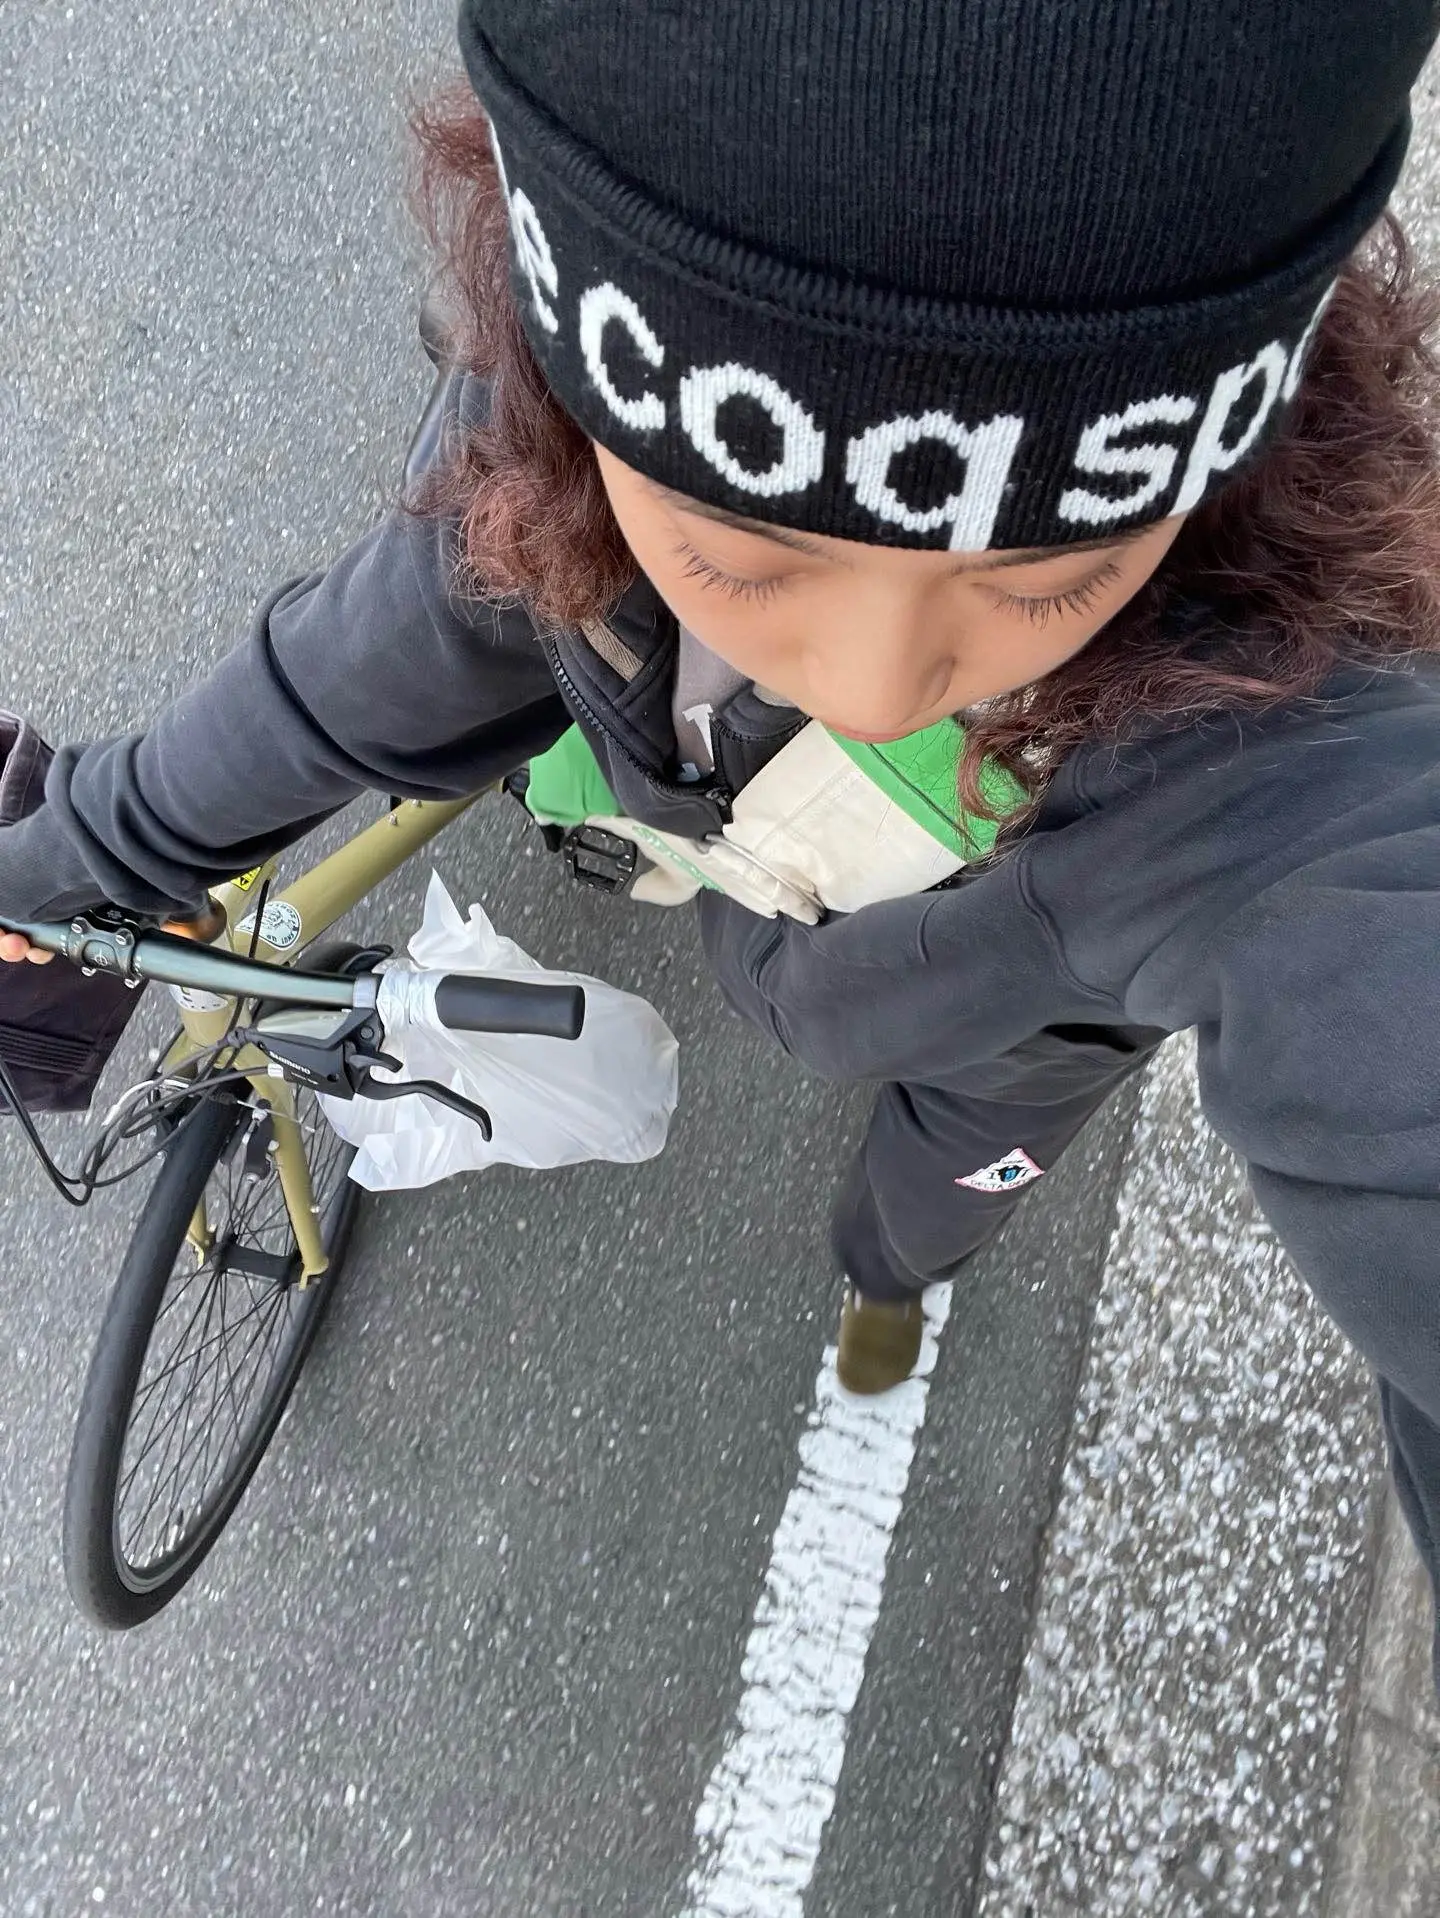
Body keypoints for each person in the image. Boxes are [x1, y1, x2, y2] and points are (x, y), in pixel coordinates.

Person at [5, 2, 1440, 1672]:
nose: (878, 683)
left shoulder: (1283, 769)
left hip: (960, 1041)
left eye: (1050, 566)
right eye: (750, 550)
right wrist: (43, 870)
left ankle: (883, 1269)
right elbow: (333, 683)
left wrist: (897, 1246)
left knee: (918, 1190)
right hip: (836, 935)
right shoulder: (546, 478)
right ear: (578, 397)